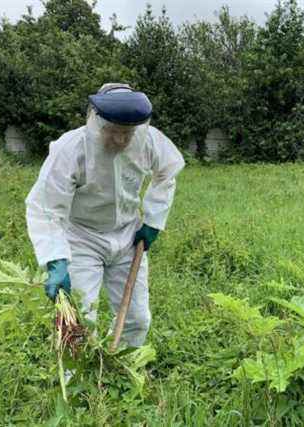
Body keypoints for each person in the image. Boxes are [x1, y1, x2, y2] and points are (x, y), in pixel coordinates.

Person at [25, 83, 185, 348]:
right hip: (82, 238)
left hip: (128, 236)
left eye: (128, 133)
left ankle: (121, 371)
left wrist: (153, 221)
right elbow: (46, 207)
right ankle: (79, 381)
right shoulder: (71, 149)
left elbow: (168, 172)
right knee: (79, 320)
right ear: (97, 123)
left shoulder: (149, 140)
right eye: (113, 132)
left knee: (137, 319)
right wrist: (55, 259)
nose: (121, 140)